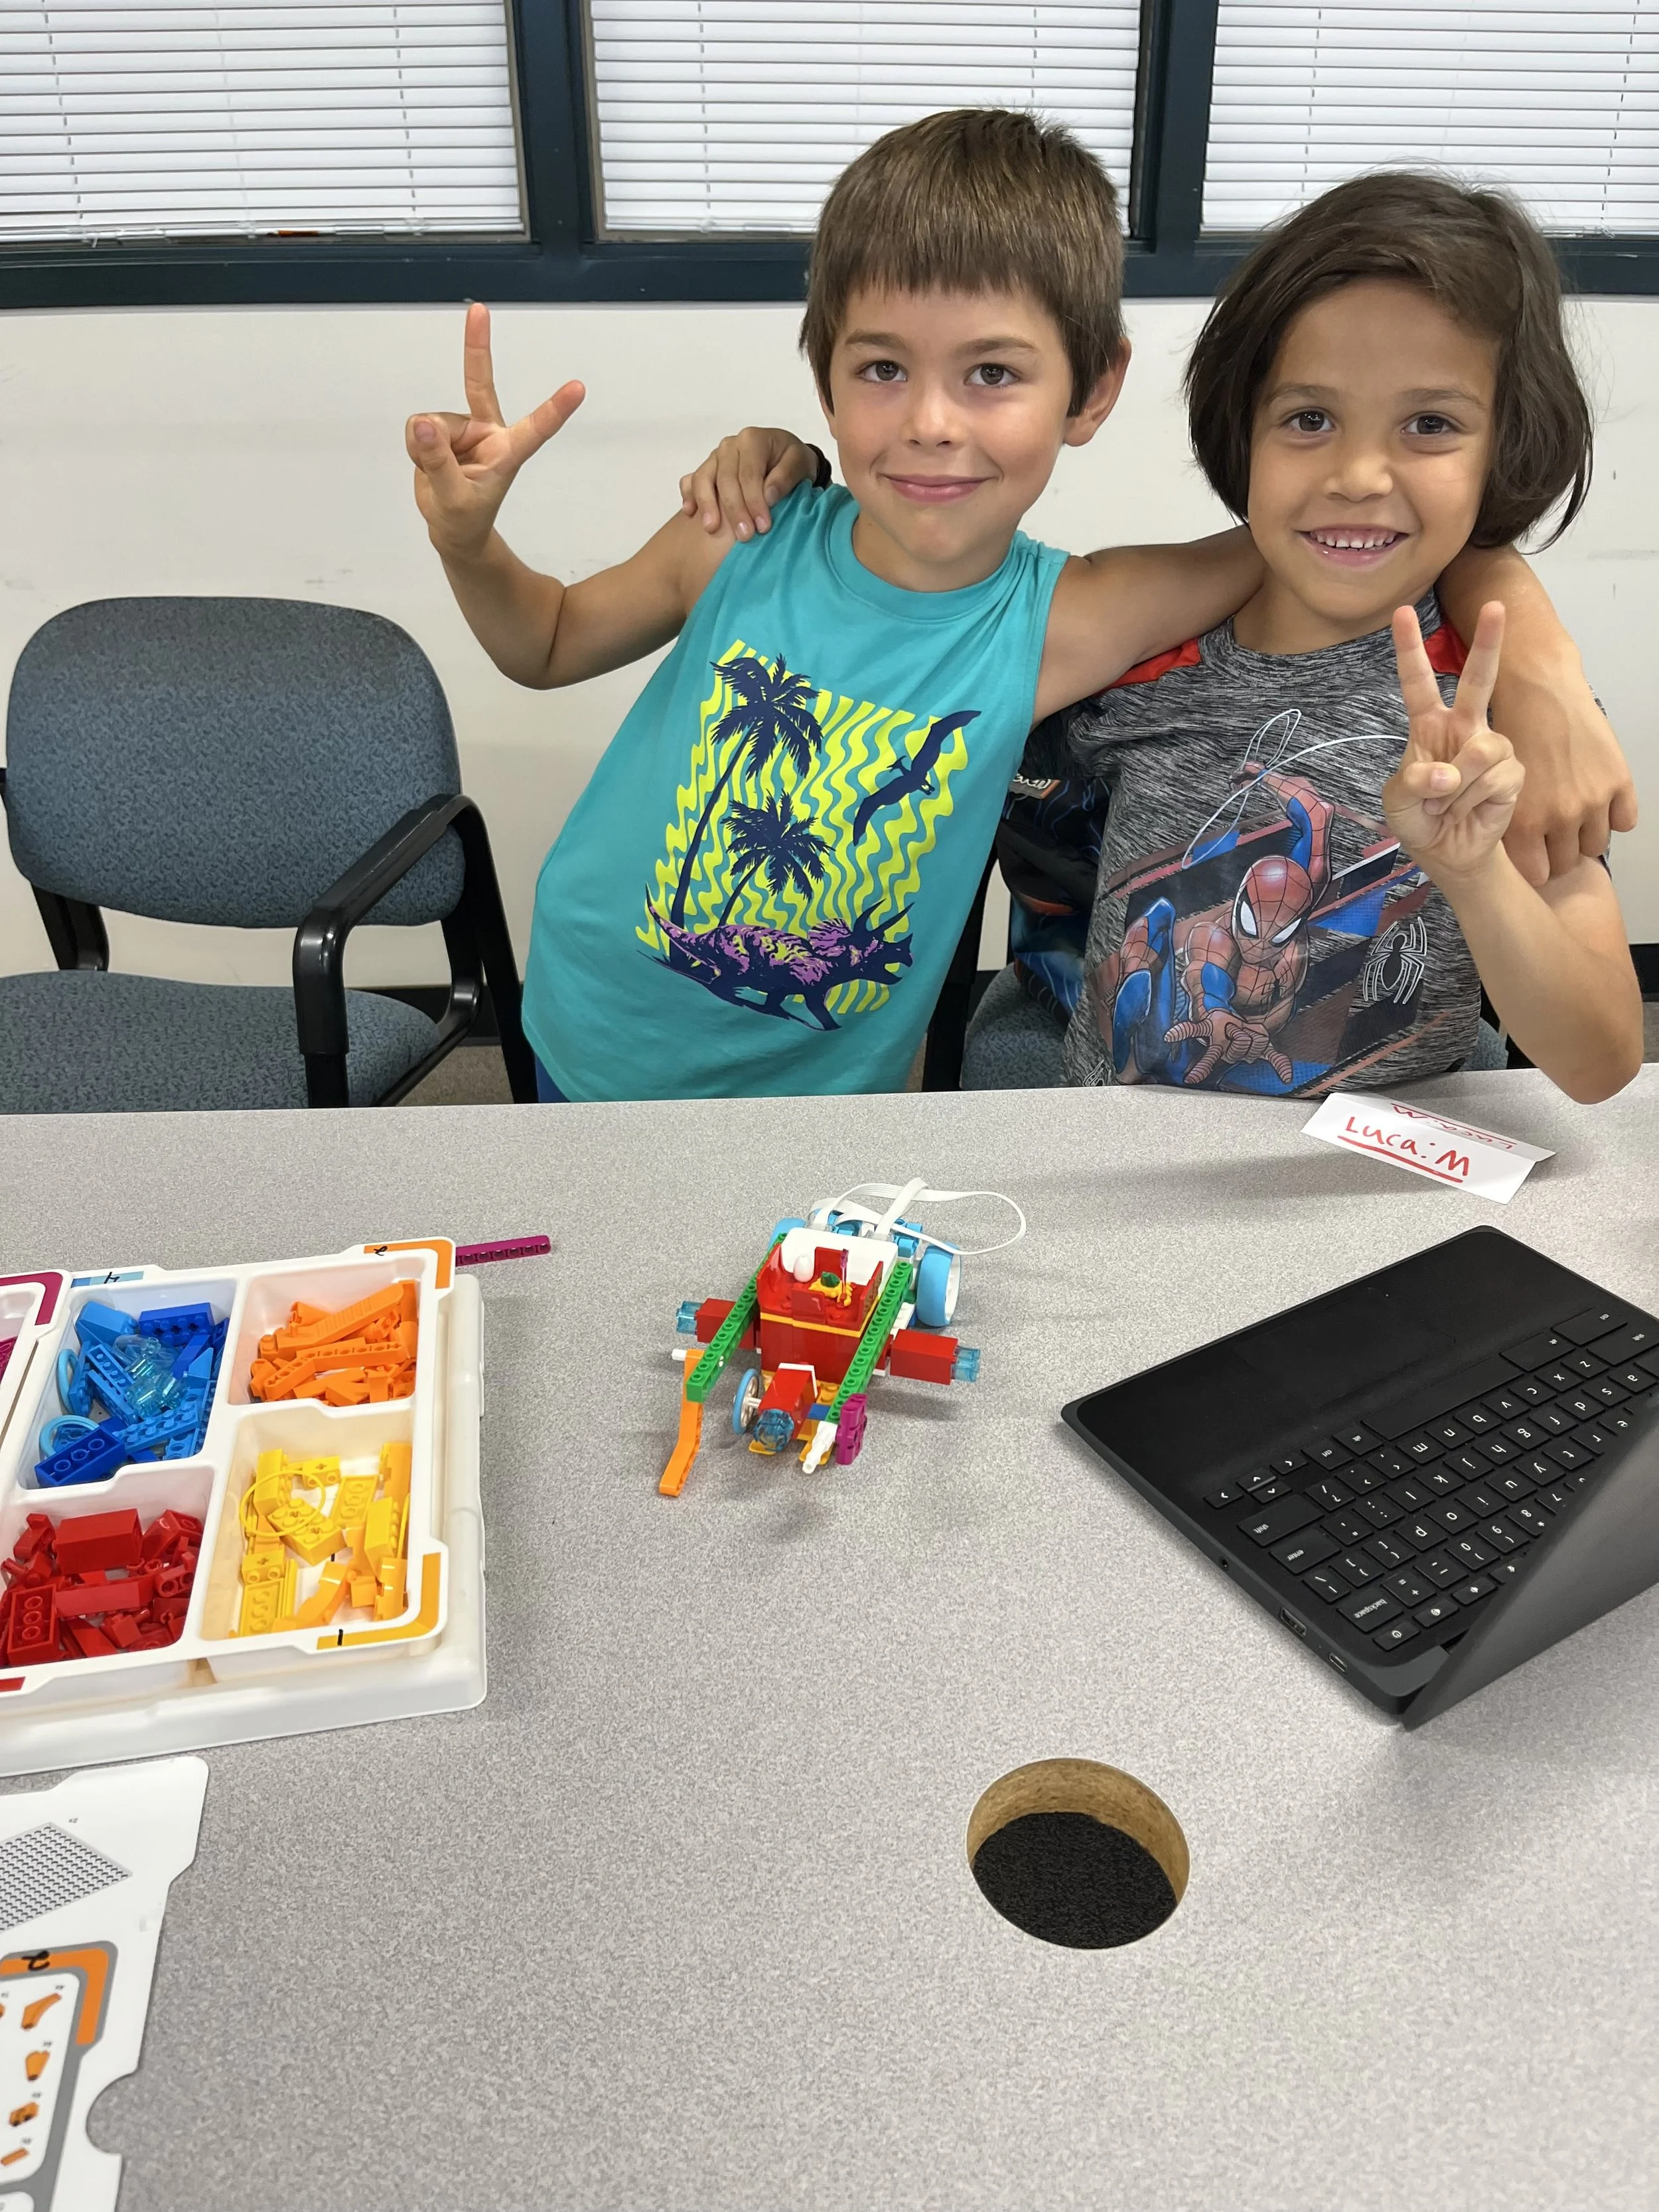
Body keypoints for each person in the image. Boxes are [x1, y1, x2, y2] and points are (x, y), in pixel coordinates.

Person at [412, 117, 1630, 1104]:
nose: (933, 420)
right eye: (882, 369)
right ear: (825, 377)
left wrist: (1532, 644)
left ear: (1092, 390)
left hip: (831, 1098)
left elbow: (1340, 541)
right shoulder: (749, 530)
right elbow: (550, 639)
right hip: (587, 1017)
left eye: (991, 373)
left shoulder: (1084, 623)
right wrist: (471, 538)